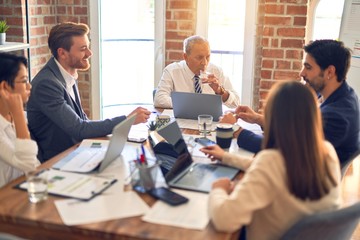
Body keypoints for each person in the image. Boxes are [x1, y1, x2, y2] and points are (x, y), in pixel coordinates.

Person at [201, 81, 341, 240]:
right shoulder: (327, 151)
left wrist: (218, 189)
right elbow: (272, 167)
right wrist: (226, 157)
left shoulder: (271, 162)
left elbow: (224, 220)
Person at [27, 22, 151, 162]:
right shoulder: (47, 84)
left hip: (78, 150)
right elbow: (79, 128)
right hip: (60, 160)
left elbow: (83, 120)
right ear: (62, 53)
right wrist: (128, 120)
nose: (89, 53)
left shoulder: (67, 74)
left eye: (88, 47)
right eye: (83, 49)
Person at [221, 39, 360, 165]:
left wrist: (236, 131)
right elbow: (294, 133)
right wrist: (258, 119)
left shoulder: (336, 116)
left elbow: (284, 152)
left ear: (330, 72)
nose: (301, 73)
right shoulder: (335, 94)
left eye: (308, 67)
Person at [153, 35, 240, 108]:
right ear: (185, 57)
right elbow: (159, 99)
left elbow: (236, 103)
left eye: (208, 57)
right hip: (182, 122)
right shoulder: (172, 71)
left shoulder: (216, 71)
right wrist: (192, 105)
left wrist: (220, 91)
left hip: (209, 122)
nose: (205, 63)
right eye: (199, 57)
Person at [0, 53, 40, 188]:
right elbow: (28, 164)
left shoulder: (17, 116)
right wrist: (18, 113)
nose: (29, 87)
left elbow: (34, 165)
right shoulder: (18, 116)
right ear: (5, 87)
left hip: (21, 189)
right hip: (6, 201)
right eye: (24, 81)